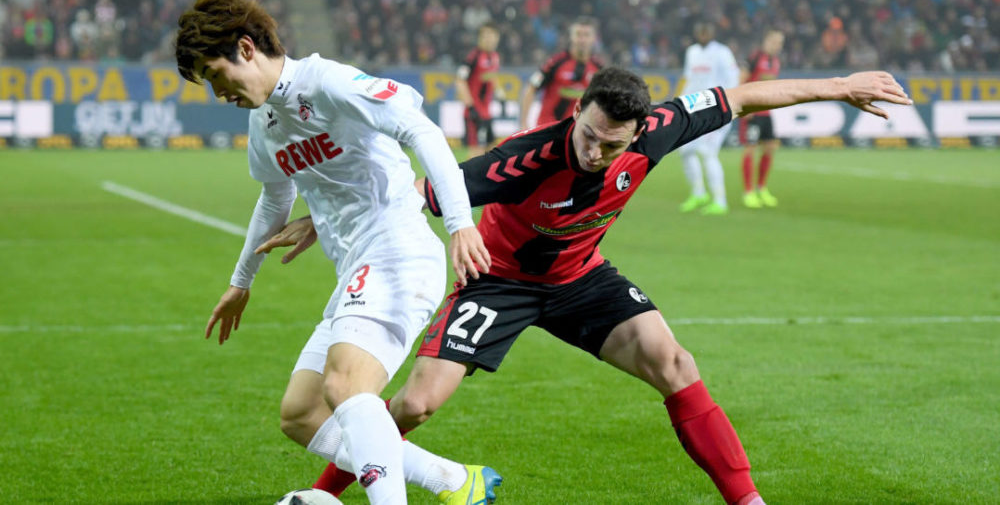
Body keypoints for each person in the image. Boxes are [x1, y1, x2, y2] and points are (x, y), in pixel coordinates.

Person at [269, 67, 912, 503]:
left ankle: (748, 498)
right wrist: (321, 225)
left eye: (611, 145)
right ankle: (325, 495)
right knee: (415, 404)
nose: (594, 153)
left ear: (640, 132)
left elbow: (740, 97)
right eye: (588, 136)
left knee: (675, 362)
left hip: (581, 278)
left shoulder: (659, 130)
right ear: (576, 112)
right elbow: (420, 192)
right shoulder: (524, 157)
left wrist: (841, 86)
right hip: (498, 282)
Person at [174, 0, 500, 504]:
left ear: (245, 48)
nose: (219, 93)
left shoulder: (327, 82)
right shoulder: (264, 125)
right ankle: (455, 481)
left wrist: (461, 222)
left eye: (215, 74)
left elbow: (421, 129)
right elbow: (274, 197)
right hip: (356, 268)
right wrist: (241, 283)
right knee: (301, 414)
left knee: (346, 385)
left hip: (398, 250)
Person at [677, 21, 741, 215]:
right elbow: (688, 79)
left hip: (717, 108)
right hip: (694, 107)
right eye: (700, 31)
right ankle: (698, 193)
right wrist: (679, 101)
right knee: (685, 151)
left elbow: (733, 78)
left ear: (712, 33)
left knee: (707, 152)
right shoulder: (692, 52)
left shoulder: (722, 52)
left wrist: (729, 103)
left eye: (706, 31)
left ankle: (720, 201)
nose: (703, 34)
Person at [518, 15, 602, 130]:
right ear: (571, 37)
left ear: (594, 38)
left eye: (586, 35)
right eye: (578, 34)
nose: (582, 40)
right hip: (549, 130)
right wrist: (524, 122)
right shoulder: (555, 63)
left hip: (577, 134)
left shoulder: (598, 69)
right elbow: (531, 87)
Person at [740, 29, 785, 208]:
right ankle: (748, 191)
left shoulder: (775, 62)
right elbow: (741, 81)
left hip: (767, 112)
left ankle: (761, 188)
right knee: (750, 148)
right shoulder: (754, 58)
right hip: (753, 111)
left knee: (770, 148)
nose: (777, 45)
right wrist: (745, 107)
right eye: (774, 41)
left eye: (780, 42)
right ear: (765, 40)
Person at [456, 22, 502, 158]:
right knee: (475, 151)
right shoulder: (473, 57)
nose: (489, 39)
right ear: (480, 38)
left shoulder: (495, 57)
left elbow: (492, 77)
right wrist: (470, 106)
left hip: (486, 112)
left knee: (492, 149)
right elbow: (460, 80)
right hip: (474, 113)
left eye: (492, 35)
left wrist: (500, 95)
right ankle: (467, 179)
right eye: (485, 35)